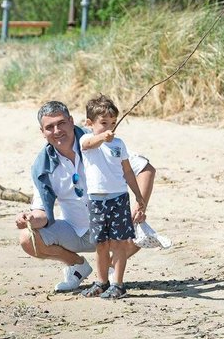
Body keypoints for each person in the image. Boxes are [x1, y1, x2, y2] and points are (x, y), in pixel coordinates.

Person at [15, 100, 155, 292]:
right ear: (42, 132)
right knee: (26, 238)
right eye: (50, 127)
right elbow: (43, 213)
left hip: (109, 226)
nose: (57, 130)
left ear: (72, 121)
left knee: (137, 232)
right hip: (75, 231)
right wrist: (29, 219)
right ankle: (77, 266)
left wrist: (139, 207)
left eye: (61, 123)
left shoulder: (100, 141)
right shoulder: (42, 166)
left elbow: (145, 169)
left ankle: (111, 271)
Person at [78, 95, 145, 299]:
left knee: (119, 242)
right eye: (104, 123)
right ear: (90, 123)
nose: (110, 127)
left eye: (113, 123)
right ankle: (102, 281)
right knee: (100, 244)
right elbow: (90, 143)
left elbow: (127, 171)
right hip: (97, 201)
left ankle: (118, 283)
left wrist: (138, 195)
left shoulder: (119, 144)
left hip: (119, 199)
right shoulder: (86, 140)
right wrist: (102, 137)